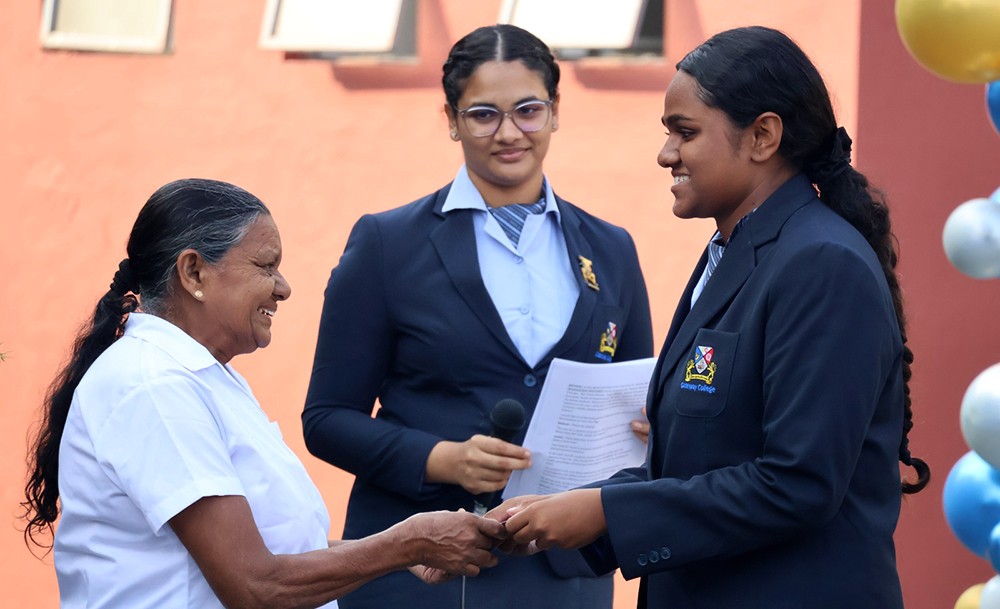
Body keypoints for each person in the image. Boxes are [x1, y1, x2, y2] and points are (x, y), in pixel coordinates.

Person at [488, 25, 931, 608]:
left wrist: (604, 511)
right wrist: (558, 513)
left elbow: (796, 485)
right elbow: (697, 461)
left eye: (685, 132)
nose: (665, 153)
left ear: (763, 136)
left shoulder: (821, 263)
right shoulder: (732, 252)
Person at [21, 178, 504, 609]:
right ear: (193, 273)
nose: (284, 288)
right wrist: (408, 545)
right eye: (266, 266)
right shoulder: (155, 384)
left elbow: (274, 553)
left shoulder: (201, 377)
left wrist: (398, 549)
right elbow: (254, 587)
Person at [302, 24, 653, 609]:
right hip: (419, 570)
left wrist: (650, 426)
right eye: (484, 114)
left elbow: (635, 396)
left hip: (563, 574)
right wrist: (444, 459)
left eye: (529, 110)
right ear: (450, 118)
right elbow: (326, 418)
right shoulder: (388, 244)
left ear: (556, 111)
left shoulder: (612, 248)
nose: (510, 133)